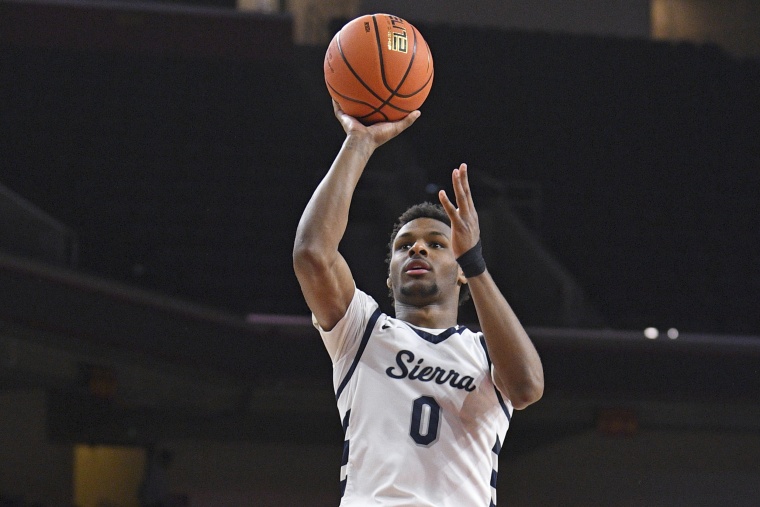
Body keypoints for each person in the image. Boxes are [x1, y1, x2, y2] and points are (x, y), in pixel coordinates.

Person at [293, 101, 544, 506]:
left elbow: (527, 388)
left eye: (436, 244)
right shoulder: (363, 330)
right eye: (404, 246)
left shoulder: (485, 351)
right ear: (389, 274)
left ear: (460, 266)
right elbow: (312, 254)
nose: (418, 250)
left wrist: (475, 262)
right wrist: (359, 142)